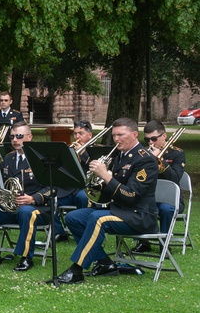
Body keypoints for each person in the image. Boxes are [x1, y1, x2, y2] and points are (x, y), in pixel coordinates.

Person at [58, 117, 158, 283]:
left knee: (98, 219)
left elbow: (131, 195)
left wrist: (105, 175)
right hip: (119, 209)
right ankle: (104, 263)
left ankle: (76, 269)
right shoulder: (119, 155)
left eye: (121, 135)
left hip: (139, 215)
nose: (116, 139)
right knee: (73, 217)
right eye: (114, 135)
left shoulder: (145, 159)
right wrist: (97, 183)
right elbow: (111, 191)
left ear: (134, 134)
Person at [0, 122, 52, 271]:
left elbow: (53, 188)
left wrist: (33, 198)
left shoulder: (41, 158)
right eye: (13, 136)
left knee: (25, 211)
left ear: (30, 137)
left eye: (19, 136)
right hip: (12, 208)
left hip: (38, 208)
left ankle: (26, 257)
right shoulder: (8, 158)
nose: (15, 140)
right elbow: (2, 183)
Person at [134, 120, 185, 253]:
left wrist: (161, 162)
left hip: (170, 200)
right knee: (137, 205)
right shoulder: (143, 153)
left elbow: (175, 178)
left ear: (164, 136)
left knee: (167, 209)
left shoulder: (177, 154)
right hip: (149, 198)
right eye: (147, 139)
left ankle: (165, 244)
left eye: (154, 139)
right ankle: (143, 242)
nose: (150, 143)